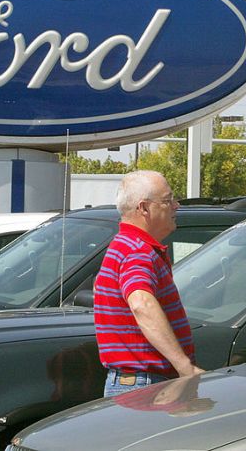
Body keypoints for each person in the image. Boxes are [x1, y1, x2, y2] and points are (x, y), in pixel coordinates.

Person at [94, 170, 204, 397]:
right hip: (146, 387)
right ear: (144, 208)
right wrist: (185, 367)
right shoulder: (138, 251)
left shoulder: (125, 245)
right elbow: (141, 304)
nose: (176, 206)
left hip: (137, 384)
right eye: (168, 200)